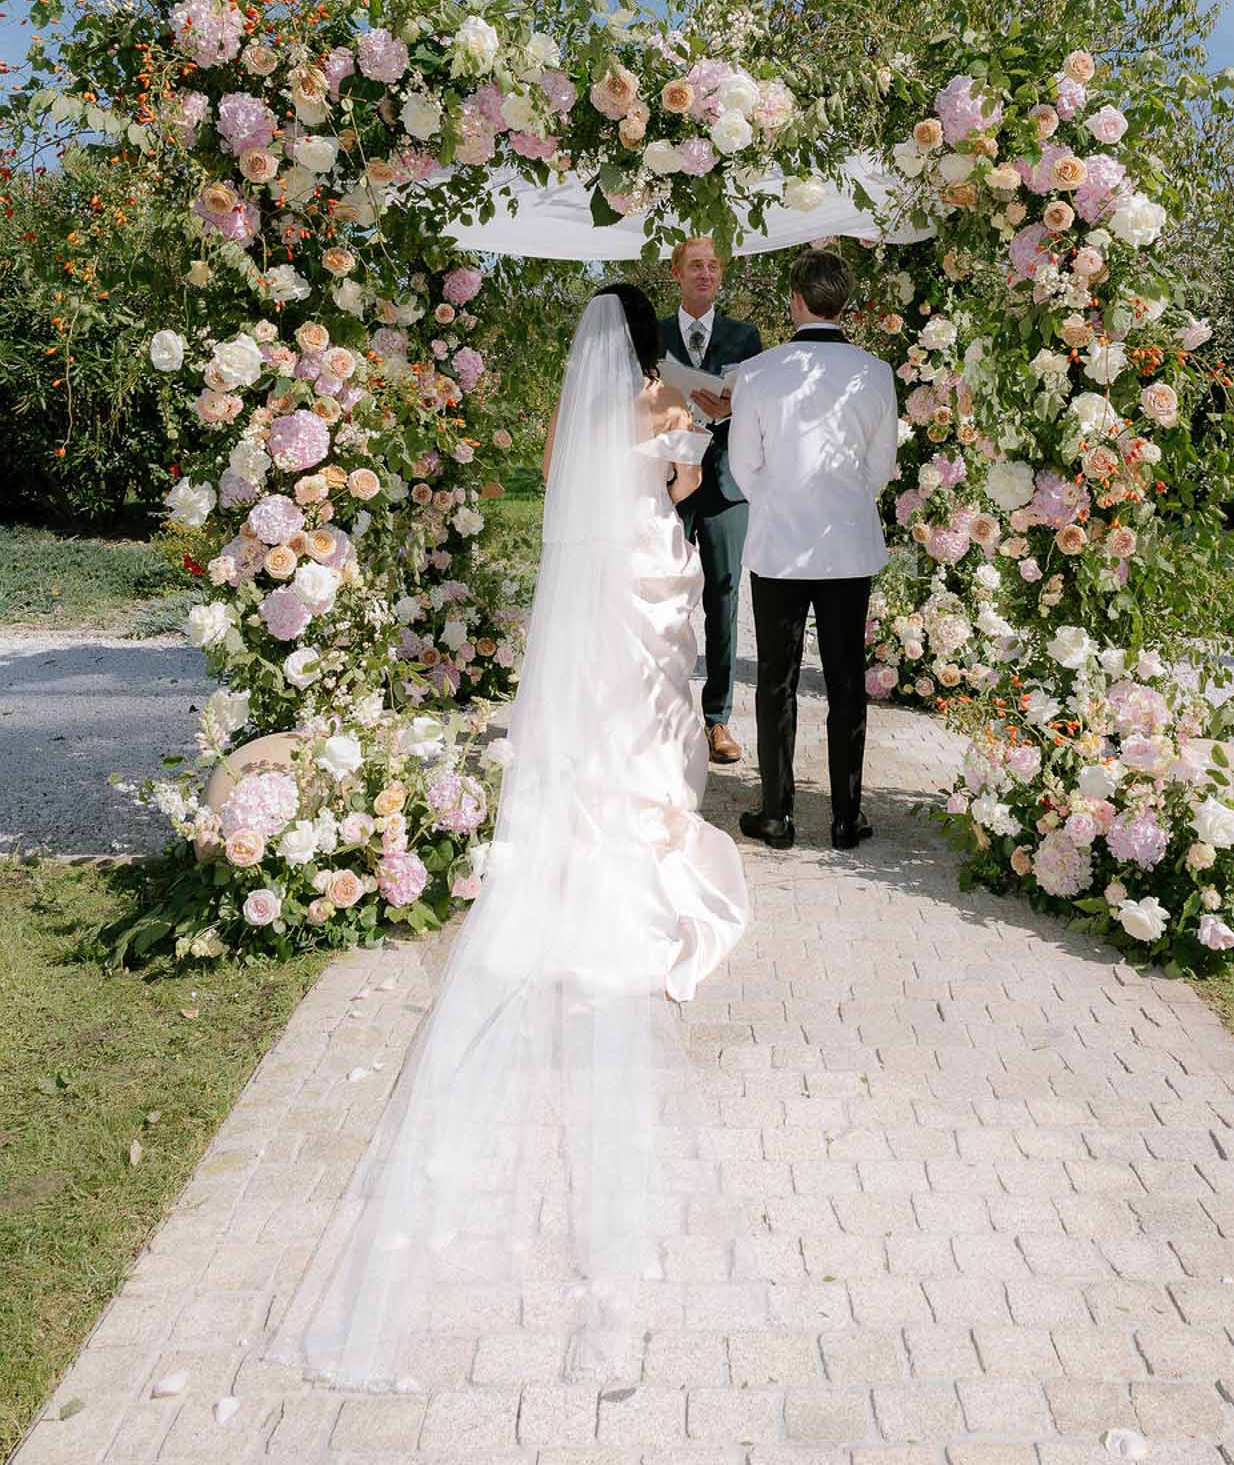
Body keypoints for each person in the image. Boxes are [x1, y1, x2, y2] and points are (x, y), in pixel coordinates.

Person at [266, 286, 748, 1392]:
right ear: (639, 343)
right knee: (653, 708)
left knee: (597, 715)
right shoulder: (658, 399)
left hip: (599, 578)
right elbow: (685, 480)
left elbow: (562, 491)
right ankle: (655, 832)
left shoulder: (576, 417)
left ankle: (594, 831)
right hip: (652, 571)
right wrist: (679, 460)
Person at [728, 249, 898, 852]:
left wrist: (779, 501)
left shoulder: (757, 373)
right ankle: (847, 817)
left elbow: (743, 465)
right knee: (847, 680)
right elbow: (882, 468)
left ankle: (776, 814)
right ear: (841, 302)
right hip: (848, 546)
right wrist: (843, 501)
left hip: (779, 546)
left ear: (796, 299)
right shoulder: (876, 373)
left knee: (776, 679)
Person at [657, 236, 762, 765]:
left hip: (725, 485)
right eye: (695, 266)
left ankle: (717, 719)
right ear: (677, 273)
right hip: (668, 484)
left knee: (723, 597)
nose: (705, 274)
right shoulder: (651, 334)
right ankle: (661, 712)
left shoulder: (745, 335)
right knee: (663, 595)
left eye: (713, 267)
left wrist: (727, 409)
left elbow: (759, 407)